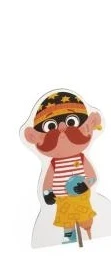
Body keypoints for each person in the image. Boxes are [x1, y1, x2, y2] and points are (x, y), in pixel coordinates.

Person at [22, 92, 103, 244]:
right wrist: (47, 193)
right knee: (66, 219)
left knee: (85, 217)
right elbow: (48, 180)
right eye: (51, 126)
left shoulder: (81, 158)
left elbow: (92, 177)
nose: (61, 128)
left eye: (71, 122)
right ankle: (69, 237)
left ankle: (88, 233)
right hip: (62, 198)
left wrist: (85, 185)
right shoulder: (53, 164)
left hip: (80, 196)